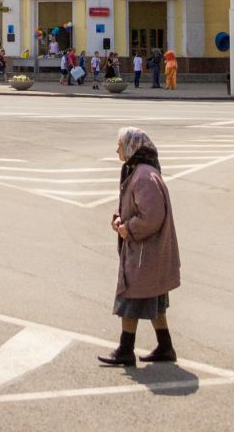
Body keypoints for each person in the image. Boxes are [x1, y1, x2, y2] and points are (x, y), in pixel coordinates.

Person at [97, 127, 180, 367]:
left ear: (132, 146)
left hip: (145, 252)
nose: (117, 150)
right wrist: (118, 217)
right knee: (154, 300)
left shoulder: (143, 175)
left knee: (130, 298)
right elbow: (131, 204)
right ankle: (165, 347)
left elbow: (151, 216)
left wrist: (129, 229)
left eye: (120, 145)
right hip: (150, 252)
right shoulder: (138, 171)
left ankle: (125, 350)